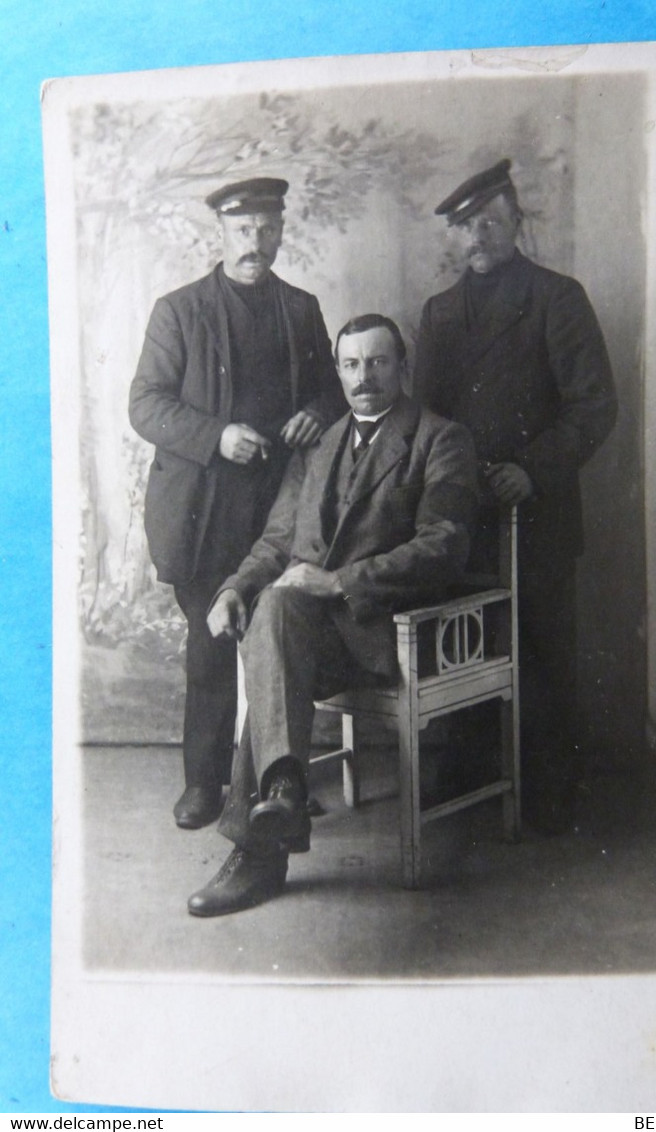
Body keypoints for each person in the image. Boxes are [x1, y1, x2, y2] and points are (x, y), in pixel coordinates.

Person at [186, 313, 479, 916]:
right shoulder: (319, 446)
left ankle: (262, 845)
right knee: (272, 604)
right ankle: (283, 795)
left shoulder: (440, 438)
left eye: (377, 362)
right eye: (351, 364)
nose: (363, 377)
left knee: (280, 617)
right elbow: (276, 542)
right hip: (310, 641)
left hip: (392, 634)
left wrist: (339, 581)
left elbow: (445, 544)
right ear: (339, 371)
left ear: (402, 366)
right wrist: (233, 588)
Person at [129, 178, 344, 830]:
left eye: (266, 228)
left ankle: (278, 780)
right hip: (204, 508)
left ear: (280, 231)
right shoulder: (179, 310)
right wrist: (217, 435)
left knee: (278, 640)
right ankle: (205, 783)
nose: (255, 241)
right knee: (211, 642)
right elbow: (145, 404)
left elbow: (334, 394)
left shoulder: (301, 309)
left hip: (281, 508)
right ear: (220, 233)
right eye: (243, 229)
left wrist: (315, 411)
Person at [413, 159, 618, 834]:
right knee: (461, 643)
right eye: (466, 227)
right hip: (464, 515)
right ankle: (468, 777)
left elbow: (594, 406)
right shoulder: (438, 314)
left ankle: (553, 789)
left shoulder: (558, 298)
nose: (479, 237)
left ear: (516, 222)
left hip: (539, 509)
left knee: (544, 648)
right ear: (453, 237)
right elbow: (425, 419)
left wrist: (531, 468)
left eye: (491, 222)